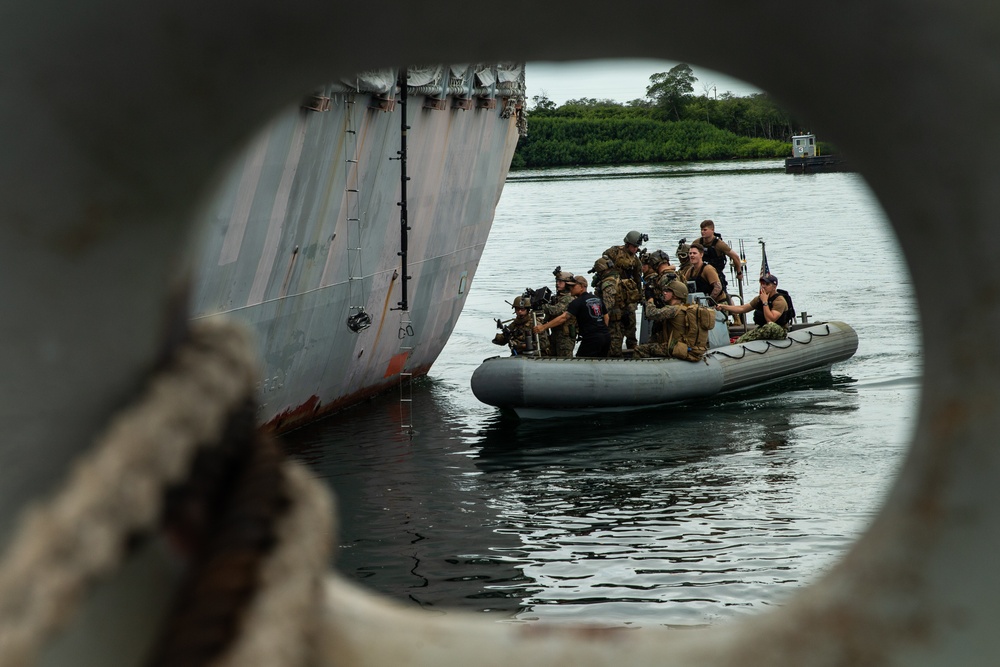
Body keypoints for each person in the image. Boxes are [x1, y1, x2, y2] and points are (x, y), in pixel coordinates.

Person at [633, 278, 715, 361]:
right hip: (683, 346)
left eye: (668, 291)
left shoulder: (673, 310)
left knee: (639, 349)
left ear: (675, 295)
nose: (664, 293)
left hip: (674, 347)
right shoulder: (685, 307)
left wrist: (650, 300)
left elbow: (651, 313)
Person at [535, 275, 610, 358]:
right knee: (601, 361)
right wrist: (602, 331)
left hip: (591, 339)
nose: (570, 288)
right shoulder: (597, 299)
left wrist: (543, 327)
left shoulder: (577, 302)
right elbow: (606, 317)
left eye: (573, 286)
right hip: (606, 337)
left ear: (582, 287)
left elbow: (563, 318)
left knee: (580, 361)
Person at [716, 273, 794, 343]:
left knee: (770, 326)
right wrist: (724, 307)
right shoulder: (760, 298)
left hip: (779, 330)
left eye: (766, 284)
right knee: (739, 341)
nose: (763, 286)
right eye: (762, 284)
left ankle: (756, 338)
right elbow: (742, 309)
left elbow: (770, 320)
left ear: (774, 286)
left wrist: (765, 302)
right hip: (763, 328)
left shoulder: (779, 301)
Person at [602, 230, 645, 350]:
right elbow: (603, 266)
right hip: (614, 293)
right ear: (628, 244)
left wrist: (640, 296)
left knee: (631, 323)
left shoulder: (635, 260)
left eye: (637, 247)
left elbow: (637, 279)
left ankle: (632, 345)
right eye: (634, 246)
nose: (636, 249)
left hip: (629, 295)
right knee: (615, 323)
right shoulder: (614, 252)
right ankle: (613, 347)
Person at [696, 220, 744, 298]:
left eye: (705, 230)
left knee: (724, 294)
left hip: (717, 274)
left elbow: (735, 257)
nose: (702, 232)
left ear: (712, 230)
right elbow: (691, 254)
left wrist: (739, 272)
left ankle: (731, 308)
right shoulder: (697, 242)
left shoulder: (719, 244)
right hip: (701, 273)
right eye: (701, 230)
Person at [590, 255, 626, 357]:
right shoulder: (617, 277)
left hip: (613, 323)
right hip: (618, 319)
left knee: (613, 352)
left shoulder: (608, 283)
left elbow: (607, 305)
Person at [542, 270, 577, 357]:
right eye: (557, 281)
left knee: (565, 361)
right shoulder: (557, 298)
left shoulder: (569, 298)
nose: (557, 284)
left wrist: (542, 306)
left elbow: (556, 310)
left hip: (565, 337)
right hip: (555, 334)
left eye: (560, 281)